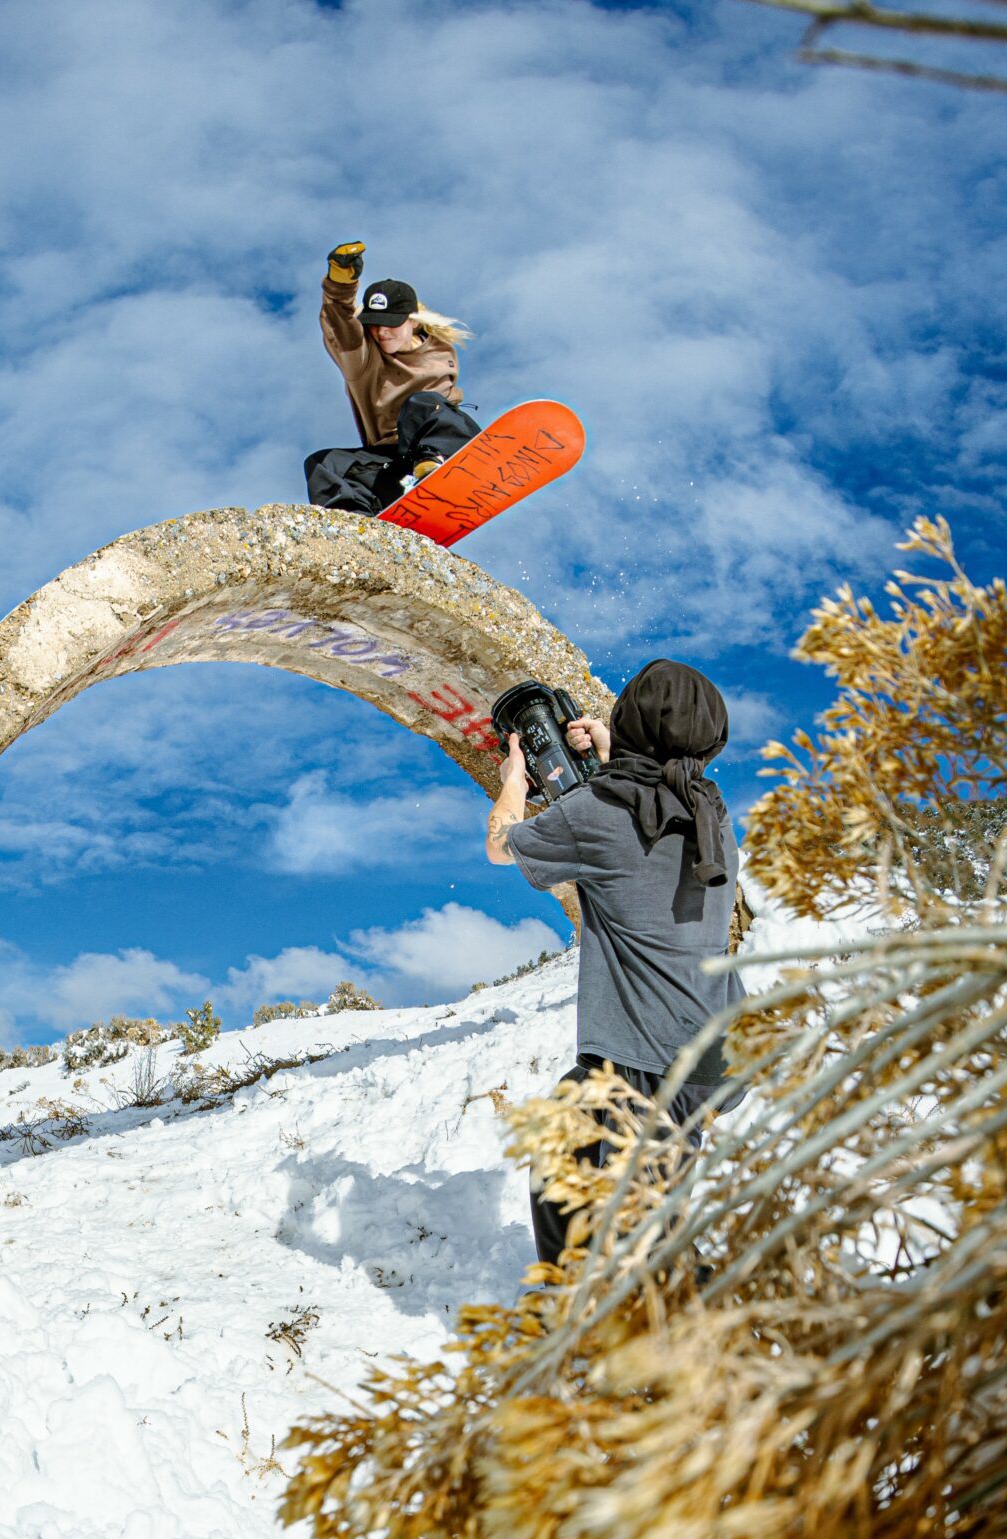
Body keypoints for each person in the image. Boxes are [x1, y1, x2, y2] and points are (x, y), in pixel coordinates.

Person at [484, 657, 746, 1268]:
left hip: (649, 1058)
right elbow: (647, 811)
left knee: (643, 1243)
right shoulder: (712, 812)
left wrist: (515, 780)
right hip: (713, 1045)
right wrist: (610, 754)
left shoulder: (595, 813)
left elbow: (500, 844)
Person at [305, 240, 481, 515]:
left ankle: (436, 465)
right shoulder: (363, 359)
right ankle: (353, 522)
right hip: (396, 466)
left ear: (413, 321)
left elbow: (443, 409)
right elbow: (339, 322)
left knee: (422, 404)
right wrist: (340, 284)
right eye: (374, 325)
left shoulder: (439, 350)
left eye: (391, 324)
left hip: (451, 444)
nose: (382, 332)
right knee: (325, 463)